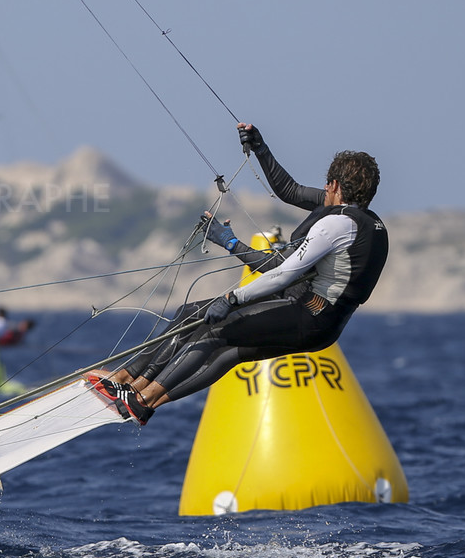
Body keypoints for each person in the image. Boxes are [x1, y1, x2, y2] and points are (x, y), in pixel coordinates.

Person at [88, 123, 387, 425]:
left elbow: (281, 273)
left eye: (327, 185)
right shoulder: (365, 222)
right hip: (324, 323)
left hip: (310, 314)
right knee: (218, 340)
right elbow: (290, 191)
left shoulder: (337, 226)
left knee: (213, 329)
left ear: (334, 185)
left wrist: (232, 276)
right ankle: (132, 386)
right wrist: (261, 149)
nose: (323, 190)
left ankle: (140, 398)